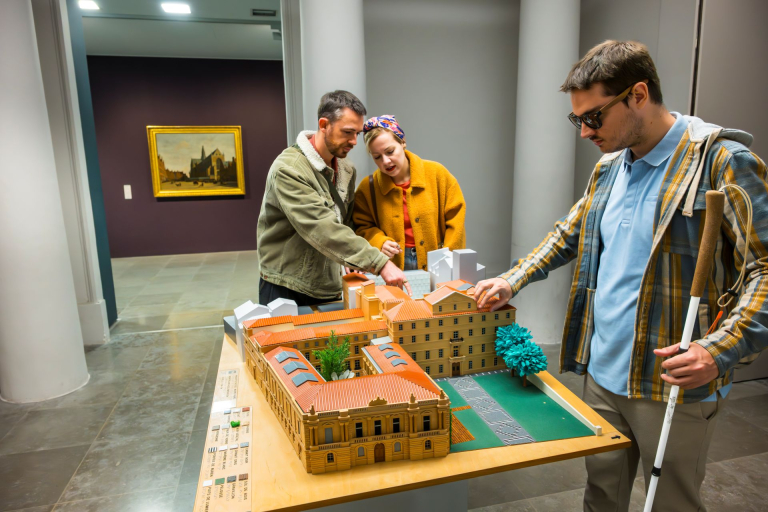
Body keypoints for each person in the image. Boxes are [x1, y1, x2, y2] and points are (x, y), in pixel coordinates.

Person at [475, 40, 768, 511]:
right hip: (602, 372)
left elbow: (764, 269)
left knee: (670, 502)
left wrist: (720, 350)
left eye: (594, 117)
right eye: (577, 119)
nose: (585, 132)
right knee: (601, 497)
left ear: (638, 95)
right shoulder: (610, 166)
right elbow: (569, 233)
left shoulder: (722, 162)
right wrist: (513, 279)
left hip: (670, 382)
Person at [256, 91, 411, 307]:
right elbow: (322, 228)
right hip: (287, 285)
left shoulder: (346, 169)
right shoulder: (289, 170)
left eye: (357, 133)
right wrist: (380, 263)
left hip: (328, 284)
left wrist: (352, 260)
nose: (354, 141)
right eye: (347, 132)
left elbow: (345, 224)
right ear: (324, 125)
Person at [352, 115, 466, 271]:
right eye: (377, 157)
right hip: (391, 265)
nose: (385, 161)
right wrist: (379, 241)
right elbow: (361, 227)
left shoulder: (437, 174)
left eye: (390, 151)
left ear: (402, 142)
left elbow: (456, 219)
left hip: (439, 261)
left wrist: (449, 258)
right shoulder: (367, 188)